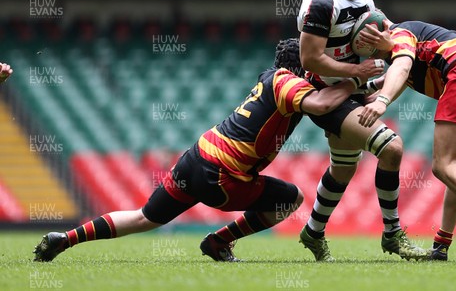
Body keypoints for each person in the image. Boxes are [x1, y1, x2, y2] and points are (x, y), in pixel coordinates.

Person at [33, 38, 369, 263]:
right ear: (304, 66)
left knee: (144, 217)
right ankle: (218, 241)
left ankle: (66, 238)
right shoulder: (289, 84)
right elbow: (324, 104)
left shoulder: (271, 76)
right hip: (222, 176)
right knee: (291, 199)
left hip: (197, 156)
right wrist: (355, 78)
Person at [296, 0, 426, 261]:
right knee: (392, 147)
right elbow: (310, 59)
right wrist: (358, 71)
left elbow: (388, 32)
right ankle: (393, 234)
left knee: (342, 169)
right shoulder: (321, 3)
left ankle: (312, 233)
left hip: (356, 89)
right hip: (329, 95)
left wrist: (386, 41)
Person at [357, 20, 456, 262]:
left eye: (371, 46)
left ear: (382, 32)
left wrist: (382, 101)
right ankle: (441, 245)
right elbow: (398, 75)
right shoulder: (403, 53)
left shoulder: (400, 34)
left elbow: (401, 69)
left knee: (442, 165)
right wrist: (370, 91)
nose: (372, 54)